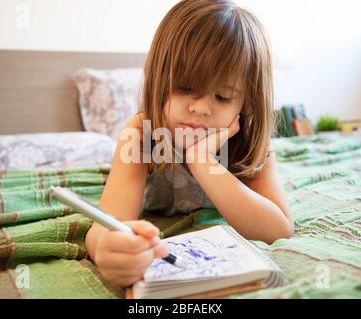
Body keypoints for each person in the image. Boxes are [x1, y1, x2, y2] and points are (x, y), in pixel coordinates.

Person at [85, 0, 294, 288]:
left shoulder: (249, 140)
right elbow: (106, 224)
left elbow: (279, 230)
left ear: (246, 101)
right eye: (184, 88)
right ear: (160, 80)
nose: (201, 108)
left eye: (223, 96)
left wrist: (202, 160)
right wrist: (107, 247)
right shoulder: (142, 133)